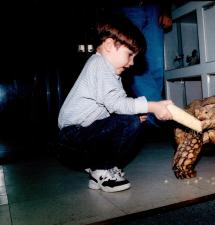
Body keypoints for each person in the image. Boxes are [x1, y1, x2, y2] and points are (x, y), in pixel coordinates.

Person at [57, 15, 173, 193]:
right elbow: (116, 103)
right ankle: (102, 168)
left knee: (133, 120)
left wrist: (135, 115)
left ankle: (100, 171)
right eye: (130, 55)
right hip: (73, 136)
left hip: (82, 133)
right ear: (110, 46)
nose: (132, 63)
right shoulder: (98, 64)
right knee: (129, 120)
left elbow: (111, 108)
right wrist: (152, 106)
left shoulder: (111, 72)